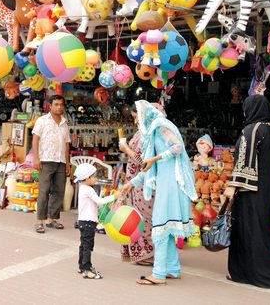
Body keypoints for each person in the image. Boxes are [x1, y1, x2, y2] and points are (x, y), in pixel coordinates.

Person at [119, 100, 197, 285]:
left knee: (160, 227)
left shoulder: (160, 126)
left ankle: (158, 274)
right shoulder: (153, 131)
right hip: (165, 182)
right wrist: (131, 183)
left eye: (137, 116)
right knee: (167, 229)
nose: (137, 121)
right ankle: (172, 268)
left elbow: (177, 147)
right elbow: (148, 168)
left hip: (171, 183)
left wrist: (155, 158)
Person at [224, 95, 270, 288]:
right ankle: (259, 271)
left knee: (248, 230)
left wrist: (233, 185)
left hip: (250, 190)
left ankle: (261, 272)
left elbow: (244, 163)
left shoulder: (252, 130)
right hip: (267, 189)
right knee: (261, 229)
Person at [118, 104, 166, 267]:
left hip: (145, 184)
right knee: (138, 218)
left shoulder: (152, 135)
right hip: (135, 183)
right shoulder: (143, 133)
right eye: (134, 117)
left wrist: (126, 149)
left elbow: (144, 162)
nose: (136, 120)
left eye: (137, 116)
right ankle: (141, 252)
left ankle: (149, 253)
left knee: (145, 219)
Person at [32, 95, 71, 234]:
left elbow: (67, 144)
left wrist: (67, 163)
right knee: (44, 191)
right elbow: (35, 140)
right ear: (50, 106)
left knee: (59, 191)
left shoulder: (65, 124)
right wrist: (36, 158)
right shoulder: (42, 121)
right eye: (56, 104)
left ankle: (51, 219)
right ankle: (39, 221)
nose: (59, 107)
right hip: (46, 160)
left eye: (61, 104)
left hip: (60, 161)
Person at [75, 163, 117, 279]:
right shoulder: (88, 190)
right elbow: (99, 201)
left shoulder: (83, 188)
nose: (96, 178)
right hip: (88, 223)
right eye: (94, 176)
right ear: (87, 178)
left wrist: (96, 219)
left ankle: (81, 266)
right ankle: (87, 269)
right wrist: (114, 196)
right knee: (88, 246)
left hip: (84, 221)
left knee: (83, 245)